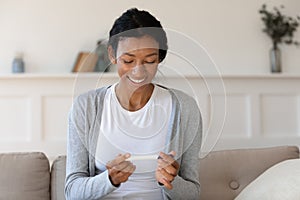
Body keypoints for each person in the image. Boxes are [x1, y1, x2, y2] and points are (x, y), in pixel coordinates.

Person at [65, 8, 202, 200]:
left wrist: (171, 182)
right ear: (112, 55)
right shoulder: (85, 107)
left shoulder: (185, 108)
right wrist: (108, 180)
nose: (138, 71)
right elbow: (72, 192)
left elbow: (193, 194)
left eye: (149, 60)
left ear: (160, 58)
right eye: (128, 60)